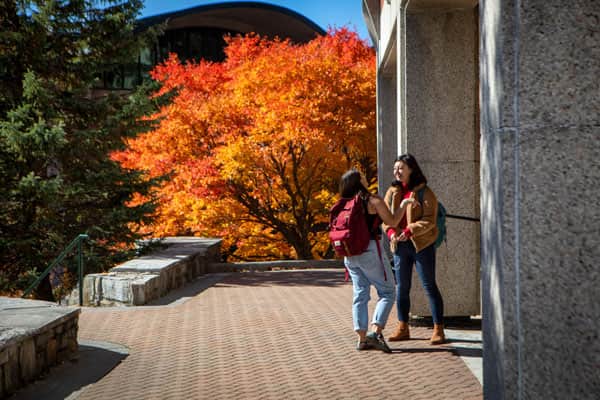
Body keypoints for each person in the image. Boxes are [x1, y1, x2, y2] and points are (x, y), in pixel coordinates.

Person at [338, 169, 413, 352]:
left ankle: (362, 339)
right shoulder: (373, 200)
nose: (365, 179)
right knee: (388, 292)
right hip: (369, 250)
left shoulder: (342, 203)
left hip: (349, 254)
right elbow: (393, 221)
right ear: (359, 181)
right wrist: (404, 204)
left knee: (360, 294)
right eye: (363, 177)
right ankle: (376, 332)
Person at [382, 154, 445, 345]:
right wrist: (392, 233)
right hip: (399, 246)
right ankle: (403, 327)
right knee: (402, 288)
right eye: (395, 169)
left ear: (411, 169)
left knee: (429, 286)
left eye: (401, 168)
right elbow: (385, 218)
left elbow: (428, 220)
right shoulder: (392, 192)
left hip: (421, 245)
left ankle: (438, 329)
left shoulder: (425, 192)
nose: (397, 172)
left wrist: (409, 231)